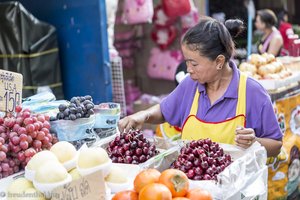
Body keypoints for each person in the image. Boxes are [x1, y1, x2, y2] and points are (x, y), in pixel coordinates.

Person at [118, 17, 282, 157]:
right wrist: (143, 115)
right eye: (186, 61)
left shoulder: (252, 92)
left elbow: (276, 145)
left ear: (218, 61)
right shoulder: (190, 85)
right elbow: (164, 110)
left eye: (194, 63)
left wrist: (255, 142)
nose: (188, 69)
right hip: (194, 187)